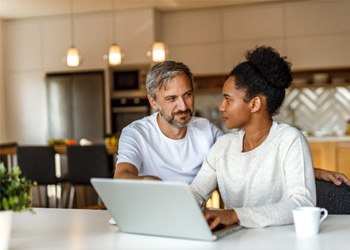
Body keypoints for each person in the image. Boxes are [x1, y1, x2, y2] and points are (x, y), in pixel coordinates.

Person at [114, 61, 350, 186]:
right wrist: (148, 182)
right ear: (153, 102)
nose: (183, 106)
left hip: (196, 217)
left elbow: (252, 163)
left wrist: (310, 171)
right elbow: (122, 175)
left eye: (187, 94)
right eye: (171, 99)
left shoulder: (207, 131)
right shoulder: (135, 133)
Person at [190, 46, 316, 229]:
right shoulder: (222, 146)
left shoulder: (290, 140)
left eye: (228, 99)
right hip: (237, 240)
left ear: (255, 104)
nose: (221, 107)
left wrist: (234, 215)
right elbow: (196, 192)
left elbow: (302, 203)